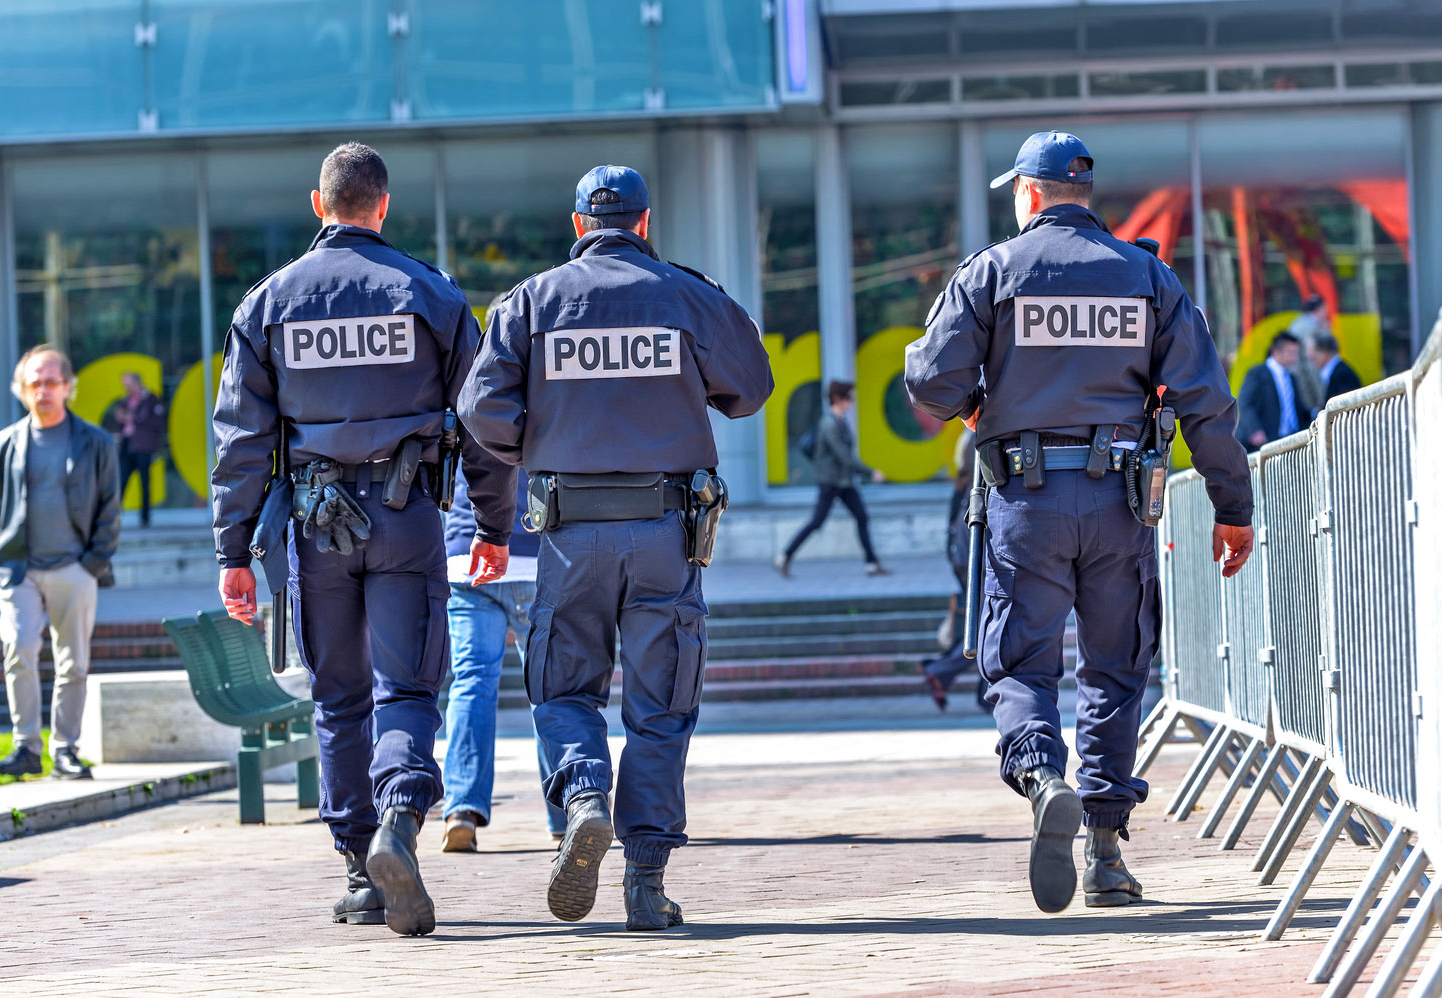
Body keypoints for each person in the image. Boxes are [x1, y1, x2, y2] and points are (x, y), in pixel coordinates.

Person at [905, 130, 1254, 914]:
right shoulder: (1148, 276)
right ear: (1083, 194)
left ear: (1028, 194)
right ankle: (1103, 852)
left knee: (1022, 664)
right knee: (1115, 668)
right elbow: (1206, 399)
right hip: (1120, 502)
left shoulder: (991, 272)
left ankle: (1041, 775)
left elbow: (929, 380)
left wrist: (970, 401)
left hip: (1024, 502)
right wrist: (1233, 507)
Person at [210, 142, 515, 937]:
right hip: (409, 513)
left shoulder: (267, 303)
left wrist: (232, 551)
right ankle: (399, 822)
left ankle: (360, 870)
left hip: (316, 526)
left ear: (320, 205)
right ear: (383, 205)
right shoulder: (432, 294)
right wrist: (492, 523)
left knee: (339, 696)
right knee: (406, 688)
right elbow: (484, 425)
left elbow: (240, 440)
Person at [462, 164, 773, 930]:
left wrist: (540, 440)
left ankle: (583, 794)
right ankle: (645, 881)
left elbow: (479, 407)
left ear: (577, 226)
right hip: (666, 529)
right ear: (643, 222)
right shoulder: (685, 294)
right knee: (661, 705)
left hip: (567, 533)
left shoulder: (531, 301)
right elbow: (752, 385)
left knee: (564, 688)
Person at [0, 345, 121, 781]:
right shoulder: (6, 443)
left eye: (51, 382)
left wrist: (91, 564)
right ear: (23, 390)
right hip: (18, 571)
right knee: (18, 648)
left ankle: (65, 750)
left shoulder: (95, 441)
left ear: (68, 387)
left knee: (72, 662)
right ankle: (25, 747)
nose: (43, 390)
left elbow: (110, 510)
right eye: (34, 383)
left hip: (74, 568)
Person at [441, 465, 567, 851]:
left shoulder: (463, 401)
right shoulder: (550, 401)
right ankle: (566, 812)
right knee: (549, 688)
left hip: (469, 554)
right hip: (537, 553)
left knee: (471, 684)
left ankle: (462, 810)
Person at [773, 380, 888, 578]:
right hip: (830, 482)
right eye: (849, 398)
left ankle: (871, 563)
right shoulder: (829, 424)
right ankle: (784, 556)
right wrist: (870, 472)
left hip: (843, 482)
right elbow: (843, 456)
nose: (851, 402)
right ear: (837, 399)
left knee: (861, 516)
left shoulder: (841, 421)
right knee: (817, 522)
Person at [920, 428, 990, 714]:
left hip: (965, 561)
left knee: (986, 624)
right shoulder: (977, 487)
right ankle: (942, 670)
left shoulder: (963, 484)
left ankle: (949, 674)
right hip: (974, 561)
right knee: (989, 625)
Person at [1237, 331, 1309, 451]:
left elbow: (1297, 409)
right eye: (1291, 352)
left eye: (1296, 352)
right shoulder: (1257, 373)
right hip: (1263, 441)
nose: (1295, 357)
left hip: (1289, 440)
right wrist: (1255, 430)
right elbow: (1245, 403)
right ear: (1276, 352)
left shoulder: (1291, 377)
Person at [111, 372, 165, 527]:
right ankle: (113, 518)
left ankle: (145, 518)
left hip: (143, 446)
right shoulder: (125, 400)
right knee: (121, 481)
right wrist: (121, 417)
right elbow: (122, 422)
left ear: (137, 383)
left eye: (128, 385)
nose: (126, 388)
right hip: (127, 444)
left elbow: (155, 423)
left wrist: (132, 418)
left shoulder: (151, 399)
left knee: (145, 483)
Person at [1285, 294, 1329, 417]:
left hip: (1294, 384)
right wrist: (1319, 398)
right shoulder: (1312, 329)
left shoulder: (1297, 323)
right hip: (1306, 388)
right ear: (1322, 308)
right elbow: (1311, 366)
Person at [1306, 331, 1362, 404]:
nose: (1312, 363)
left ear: (1325, 352)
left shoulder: (1342, 375)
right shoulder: (1336, 372)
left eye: (1313, 358)